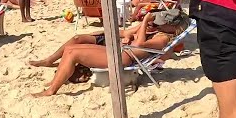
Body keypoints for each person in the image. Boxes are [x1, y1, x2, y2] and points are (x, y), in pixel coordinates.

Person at [28, 10, 191, 96]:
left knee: (73, 54)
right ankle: (55, 82)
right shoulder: (159, 31)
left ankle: (51, 91)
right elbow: (133, 37)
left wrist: (144, 23)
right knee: (71, 49)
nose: (158, 24)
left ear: (174, 28)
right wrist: (142, 27)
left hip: (123, 58)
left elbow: (140, 44)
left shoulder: (163, 39)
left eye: (163, 23)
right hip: (121, 51)